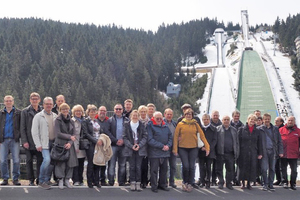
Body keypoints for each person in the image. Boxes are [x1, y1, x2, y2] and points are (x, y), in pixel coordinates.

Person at [173, 108, 210, 192]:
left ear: (192, 115)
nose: (188, 116)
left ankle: (191, 182)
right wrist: (175, 149)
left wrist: (207, 147)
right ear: (184, 115)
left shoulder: (195, 124)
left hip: (193, 148)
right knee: (186, 166)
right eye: (187, 114)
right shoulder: (180, 124)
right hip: (183, 148)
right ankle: (185, 182)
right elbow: (175, 137)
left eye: (190, 114)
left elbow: (202, 136)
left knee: (192, 166)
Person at [32, 97, 57, 189]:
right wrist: (37, 144)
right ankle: (41, 180)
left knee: (51, 162)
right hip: (44, 143)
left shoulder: (55, 116)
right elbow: (34, 132)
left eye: (50, 104)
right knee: (46, 160)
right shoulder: (38, 116)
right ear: (43, 105)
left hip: (54, 143)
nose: (49, 105)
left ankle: (47, 180)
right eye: (47, 104)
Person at [20, 92, 43, 186]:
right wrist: (24, 141)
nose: (34, 100)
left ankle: (39, 179)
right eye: (33, 99)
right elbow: (23, 127)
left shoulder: (42, 111)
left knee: (40, 161)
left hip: (40, 141)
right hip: (28, 141)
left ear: (39, 100)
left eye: (36, 99)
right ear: (30, 100)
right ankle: (31, 180)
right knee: (29, 161)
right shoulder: (25, 111)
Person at [53, 103, 78, 189]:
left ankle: (67, 179)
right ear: (60, 110)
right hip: (60, 144)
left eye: (66, 109)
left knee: (70, 163)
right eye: (63, 109)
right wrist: (69, 137)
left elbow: (74, 134)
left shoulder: (71, 120)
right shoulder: (57, 120)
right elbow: (58, 133)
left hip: (69, 145)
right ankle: (60, 179)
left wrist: (70, 143)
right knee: (60, 163)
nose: (65, 111)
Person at [148, 111, 172, 193]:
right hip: (154, 152)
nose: (159, 119)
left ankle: (162, 184)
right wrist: (162, 146)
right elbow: (150, 140)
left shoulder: (165, 125)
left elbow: (170, 137)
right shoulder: (150, 125)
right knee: (154, 170)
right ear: (153, 118)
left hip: (165, 152)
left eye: (160, 118)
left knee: (164, 170)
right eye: (157, 118)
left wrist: (168, 145)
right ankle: (154, 186)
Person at [123, 110, 147, 191]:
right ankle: (132, 182)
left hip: (139, 149)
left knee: (138, 167)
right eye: (133, 115)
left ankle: (138, 183)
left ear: (138, 116)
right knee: (132, 166)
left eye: (137, 115)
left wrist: (139, 145)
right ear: (131, 116)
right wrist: (131, 146)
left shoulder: (142, 125)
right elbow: (125, 137)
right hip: (130, 149)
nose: (135, 117)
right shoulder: (127, 125)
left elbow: (145, 137)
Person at [0, 95, 21, 186]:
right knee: (2, 160)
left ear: (13, 102)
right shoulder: (0, 113)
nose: (8, 102)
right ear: (4, 102)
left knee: (16, 160)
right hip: (3, 140)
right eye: (6, 101)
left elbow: (21, 126)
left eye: (10, 101)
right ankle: (5, 178)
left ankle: (15, 178)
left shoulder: (18, 112)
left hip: (14, 139)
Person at [258, 113, 283, 191]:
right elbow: (257, 142)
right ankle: (265, 184)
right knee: (264, 169)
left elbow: (279, 141)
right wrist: (259, 152)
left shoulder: (275, 129)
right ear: (263, 120)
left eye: (268, 119)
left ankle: (270, 184)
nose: (267, 120)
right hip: (264, 151)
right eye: (265, 119)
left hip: (273, 151)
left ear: (270, 119)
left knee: (272, 169)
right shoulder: (259, 129)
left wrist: (280, 151)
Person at [237, 114, 262, 190]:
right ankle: (242, 183)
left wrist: (260, 153)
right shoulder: (241, 129)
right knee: (243, 167)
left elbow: (259, 143)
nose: (252, 121)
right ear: (248, 120)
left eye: (254, 120)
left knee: (251, 167)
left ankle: (249, 183)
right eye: (251, 119)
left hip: (253, 152)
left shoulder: (257, 131)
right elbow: (238, 142)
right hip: (243, 152)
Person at [107, 104, 129, 186]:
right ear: (114, 110)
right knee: (111, 164)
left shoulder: (127, 120)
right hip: (113, 145)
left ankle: (121, 181)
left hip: (123, 145)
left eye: (120, 109)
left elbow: (129, 132)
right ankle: (111, 181)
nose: (118, 110)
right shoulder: (110, 120)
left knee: (122, 165)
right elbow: (108, 132)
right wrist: (115, 140)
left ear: (122, 110)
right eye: (117, 109)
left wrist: (123, 140)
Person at [215, 115, 239, 190]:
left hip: (230, 153)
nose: (226, 121)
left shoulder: (234, 130)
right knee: (219, 169)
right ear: (222, 120)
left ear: (229, 121)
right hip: (220, 152)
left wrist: (237, 152)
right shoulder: (218, 129)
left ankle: (229, 183)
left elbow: (237, 142)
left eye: (227, 120)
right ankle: (221, 182)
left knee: (230, 169)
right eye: (224, 119)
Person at [279, 116, 300, 190]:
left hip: (294, 154)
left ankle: (293, 183)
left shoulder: (298, 131)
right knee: (283, 169)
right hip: (283, 153)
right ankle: (285, 182)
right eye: (289, 120)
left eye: (291, 120)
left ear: (294, 122)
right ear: (286, 121)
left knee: (294, 170)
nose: (290, 122)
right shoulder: (281, 130)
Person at [84, 104, 102, 188]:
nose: (93, 113)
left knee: (97, 163)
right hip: (91, 144)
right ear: (88, 112)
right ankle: (90, 182)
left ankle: (96, 181)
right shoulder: (86, 121)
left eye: (94, 111)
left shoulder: (96, 121)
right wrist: (95, 141)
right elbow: (86, 134)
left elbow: (100, 131)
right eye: (91, 111)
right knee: (91, 163)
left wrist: (101, 139)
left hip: (98, 145)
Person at [198, 114, 217, 189]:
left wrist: (208, 148)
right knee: (201, 167)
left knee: (209, 167)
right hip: (201, 151)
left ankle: (208, 181)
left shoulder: (213, 128)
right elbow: (198, 139)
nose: (205, 121)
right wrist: (202, 147)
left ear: (209, 120)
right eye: (204, 119)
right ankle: (202, 181)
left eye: (207, 119)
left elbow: (215, 140)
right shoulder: (200, 128)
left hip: (210, 151)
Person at [71, 104, 86, 186]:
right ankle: (75, 180)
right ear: (74, 112)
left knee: (81, 164)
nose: (78, 112)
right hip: (75, 145)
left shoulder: (84, 121)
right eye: (76, 111)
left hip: (83, 146)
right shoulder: (72, 121)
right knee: (75, 164)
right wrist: (75, 146)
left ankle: (81, 180)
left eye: (80, 111)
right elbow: (73, 135)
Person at [163, 108, 177, 188]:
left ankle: (172, 181)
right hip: (165, 147)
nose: (169, 116)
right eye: (167, 114)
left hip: (173, 147)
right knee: (165, 166)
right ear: (164, 114)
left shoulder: (175, 123)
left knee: (173, 166)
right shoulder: (161, 123)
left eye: (170, 114)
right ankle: (164, 181)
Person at [97, 106, 110, 186]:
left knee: (104, 163)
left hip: (105, 145)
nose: (102, 112)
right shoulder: (94, 120)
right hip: (96, 144)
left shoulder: (108, 121)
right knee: (96, 162)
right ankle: (95, 179)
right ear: (98, 111)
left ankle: (103, 180)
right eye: (101, 110)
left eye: (104, 111)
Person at [138, 105, 150, 188]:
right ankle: (139, 180)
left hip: (148, 146)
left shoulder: (150, 122)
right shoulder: (137, 121)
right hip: (139, 145)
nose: (143, 113)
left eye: (144, 111)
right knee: (139, 165)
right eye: (141, 111)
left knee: (146, 165)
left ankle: (145, 181)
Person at [210, 110, 221, 186]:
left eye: (217, 115)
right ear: (212, 116)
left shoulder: (221, 124)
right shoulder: (208, 123)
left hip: (218, 148)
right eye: (214, 115)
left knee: (216, 166)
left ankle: (214, 180)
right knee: (207, 165)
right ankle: (206, 179)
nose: (215, 117)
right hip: (210, 147)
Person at [274, 116, 284, 186]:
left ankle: (283, 180)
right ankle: (278, 179)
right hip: (275, 150)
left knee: (281, 166)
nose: (276, 122)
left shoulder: (283, 129)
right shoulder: (275, 128)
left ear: (281, 122)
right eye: (275, 121)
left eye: (277, 121)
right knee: (276, 166)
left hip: (281, 150)